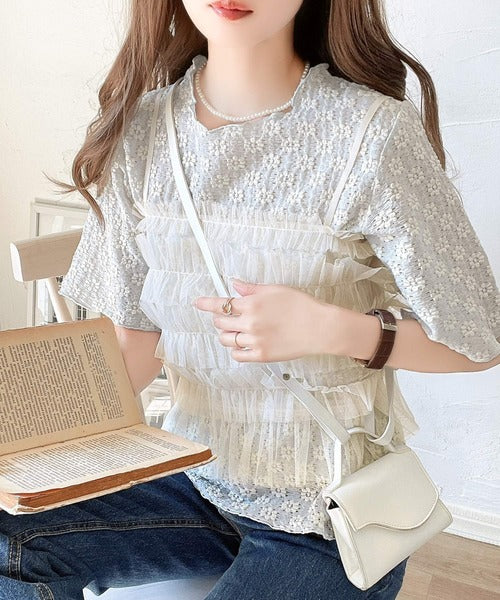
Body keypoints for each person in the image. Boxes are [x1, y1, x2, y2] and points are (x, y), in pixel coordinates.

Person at [2, 1, 500, 599]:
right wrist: (19, 421)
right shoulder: (143, 131)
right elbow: (134, 345)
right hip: (191, 478)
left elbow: (479, 342)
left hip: (329, 513)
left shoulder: (371, 132)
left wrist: (333, 329)